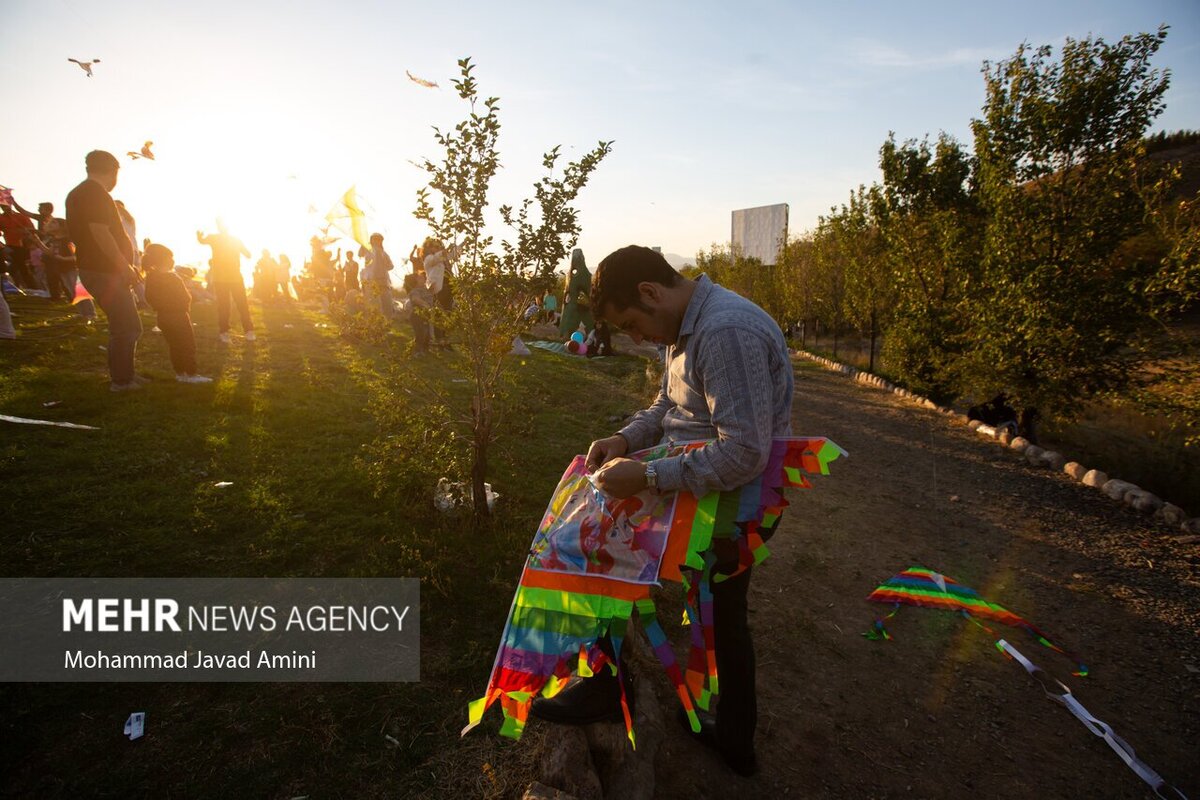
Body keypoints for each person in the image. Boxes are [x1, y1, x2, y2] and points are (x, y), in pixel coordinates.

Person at [529, 245, 794, 777]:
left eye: (631, 323)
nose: (635, 338)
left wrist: (648, 476)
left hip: (731, 501)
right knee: (594, 550)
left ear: (651, 293)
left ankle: (729, 739)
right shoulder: (684, 328)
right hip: (699, 485)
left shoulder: (724, 333)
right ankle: (628, 692)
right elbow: (668, 406)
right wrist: (625, 439)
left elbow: (744, 452)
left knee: (710, 611)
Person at [65, 150, 145, 392]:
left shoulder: (80, 193)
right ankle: (122, 381)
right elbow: (100, 233)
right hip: (104, 271)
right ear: (113, 171)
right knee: (127, 326)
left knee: (124, 324)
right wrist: (125, 266)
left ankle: (125, 375)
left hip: (99, 269)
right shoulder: (93, 193)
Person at [142, 243, 212, 384]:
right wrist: (185, 304)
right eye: (171, 257)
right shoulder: (173, 278)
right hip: (179, 316)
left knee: (175, 345)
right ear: (165, 259)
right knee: (188, 345)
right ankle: (191, 374)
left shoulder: (150, 277)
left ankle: (180, 373)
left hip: (163, 317)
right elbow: (185, 297)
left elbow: (149, 298)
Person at [197, 219, 255, 343]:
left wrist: (243, 250)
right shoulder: (214, 238)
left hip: (235, 278)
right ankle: (225, 332)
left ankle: (248, 330)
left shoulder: (234, 240)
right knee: (225, 306)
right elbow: (202, 241)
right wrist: (199, 238)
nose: (222, 227)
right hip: (221, 279)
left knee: (241, 304)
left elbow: (248, 254)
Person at [402, 272, 433, 354]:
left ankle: (425, 349)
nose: (423, 277)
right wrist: (426, 305)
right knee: (420, 333)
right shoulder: (415, 291)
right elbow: (416, 299)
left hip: (425, 314)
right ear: (415, 282)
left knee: (427, 334)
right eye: (420, 278)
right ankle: (417, 351)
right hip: (417, 315)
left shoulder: (425, 289)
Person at [365, 233, 395, 317]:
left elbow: (391, 266)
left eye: (379, 240)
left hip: (383, 281)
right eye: (375, 239)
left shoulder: (384, 253)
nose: (377, 241)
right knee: (374, 302)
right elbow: (360, 254)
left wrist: (384, 263)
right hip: (372, 280)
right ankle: (376, 323)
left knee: (386, 302)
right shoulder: (368, 250)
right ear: (371, 241)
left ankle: (387, 322)